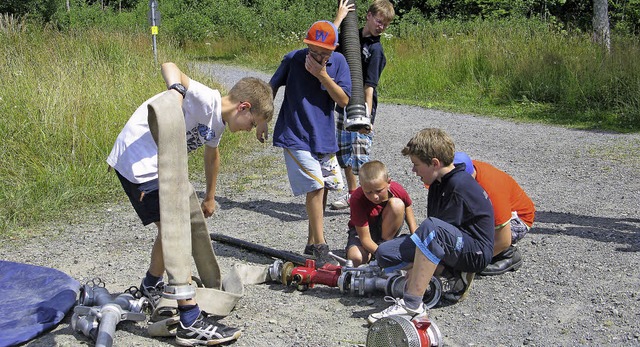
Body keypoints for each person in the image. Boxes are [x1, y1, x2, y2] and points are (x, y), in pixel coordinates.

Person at [106, 62, 273, 346]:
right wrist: (176, 91)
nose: (249, 130)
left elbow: (212, 155)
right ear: (243, 107)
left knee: (170, 227)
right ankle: (189, 319)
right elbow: (169, 65)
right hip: (140, 162)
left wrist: (210, 196)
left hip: (154, 165)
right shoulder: (206, 98)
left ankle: (151, 284)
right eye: (253, 123)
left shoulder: (218, 122)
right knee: (177, 230)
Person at [368, 128, 495, 324]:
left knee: (431, 228)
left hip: (474, 251)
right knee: (385, 253)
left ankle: (412, 305)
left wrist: (416, 271)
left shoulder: (459, 185)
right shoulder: (438, 184)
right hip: (448, 242)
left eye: (416, 165)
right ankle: (452, 275)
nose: (413, 171)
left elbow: (438, 232)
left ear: (435, 163)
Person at [269, 20, 352, 265]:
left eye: (323, 53)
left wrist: (323, 75)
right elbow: (270, 87)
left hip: (323, 136)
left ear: (334, 49)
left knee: (324, 187)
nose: (317, 56)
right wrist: (263, 119)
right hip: (294, 134)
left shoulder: (339, 63)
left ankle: (310, 242)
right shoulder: (294, 59)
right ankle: (320, 246)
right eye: (313, 51)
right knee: (315, 187)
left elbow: (344, 100)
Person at [330, 0, 395, 210]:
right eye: (378, 21)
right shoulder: (350, 36)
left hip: (362, 108)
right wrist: (339, 18)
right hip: (342, 103)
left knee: (360, 154)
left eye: (385, 24)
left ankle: (372, 194)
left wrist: (365, 117)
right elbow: (327, 42)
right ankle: (352, 194)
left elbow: (369, 87)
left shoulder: (376, 51)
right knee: (344, 152)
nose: (381, 27)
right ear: (368, 15)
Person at [452, 152, 535, 276]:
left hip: (518, 218)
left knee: (477, 239)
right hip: (487, 210)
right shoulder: (463, 168)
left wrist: (468, 263)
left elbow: (503, 240)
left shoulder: (492, 191)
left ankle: (508, 255)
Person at [346, 160, 418, 267]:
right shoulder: (357, 198)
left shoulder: (396, 189)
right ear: (361, 186)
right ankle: (379, 253)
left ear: (388, 183)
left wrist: (416, 239)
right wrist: (383, 254)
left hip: (385, 229)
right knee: (356, 258)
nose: (375, 196)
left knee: (397, 204)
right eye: (368, 192)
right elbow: (365, 238)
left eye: (379, 190)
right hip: (363, 232)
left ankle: (384, 245)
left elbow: (407, 208)